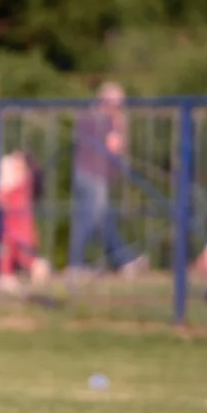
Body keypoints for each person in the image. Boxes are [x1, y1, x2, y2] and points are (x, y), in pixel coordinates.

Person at [69, 82, 145, 276]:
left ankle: (123, 259)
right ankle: (82, 264)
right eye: (119, 104)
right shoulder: (106, 121)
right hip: (94, 175)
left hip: (85, 174)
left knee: (99, 220)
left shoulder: (88, 116)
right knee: (91, 221)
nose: (121, 108)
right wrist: (119, 126)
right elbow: (115, 147)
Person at [0, 151, 50, 294]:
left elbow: (4, 201)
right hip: (14, 227)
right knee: (12, 251)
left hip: (17, 228)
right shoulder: (19, 184)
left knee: (19, 252)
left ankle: (28, 270)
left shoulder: (22, 185)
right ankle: (9, 276)